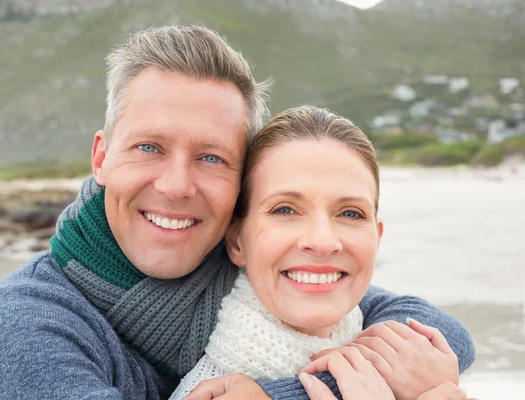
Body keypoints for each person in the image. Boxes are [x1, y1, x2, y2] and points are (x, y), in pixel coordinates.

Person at [0, 26, 475, 400]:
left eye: (211, 158)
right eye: (149, 148)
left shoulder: (239, 275)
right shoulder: (16, 326)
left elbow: (436, 334)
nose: (177, 185)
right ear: (101, 157)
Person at [175, 106, 468, 400]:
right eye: (285, 209)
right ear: (237, 241)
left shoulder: (410, 368)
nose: (322, 241)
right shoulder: (207, 391)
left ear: (376, 238)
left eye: (351, 214)